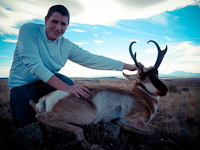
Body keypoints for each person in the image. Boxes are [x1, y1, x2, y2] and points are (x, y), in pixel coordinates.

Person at [8, 5, 138, 127]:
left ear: (67, 26)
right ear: (46, 20)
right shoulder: (29, 30)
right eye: (54, 21)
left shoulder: (66, 45)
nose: (58, 27)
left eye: (63, 24)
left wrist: (126, 66)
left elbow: (92, 59)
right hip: (22, 85)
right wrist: (67, 88)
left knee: (73, 93)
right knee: (25, 124)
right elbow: (35, 66)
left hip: (46, 81)